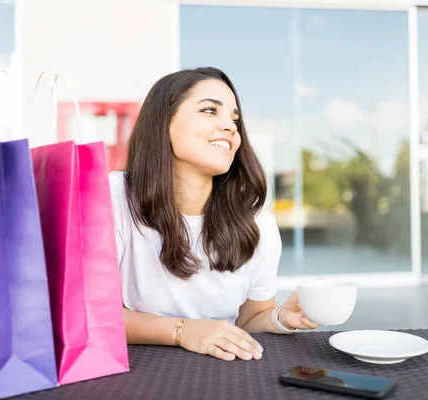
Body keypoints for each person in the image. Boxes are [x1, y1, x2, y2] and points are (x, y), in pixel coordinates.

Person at [108, 67, 317, 362]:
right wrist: (183, 332)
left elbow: (248, 320)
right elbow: (91, 314)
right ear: (163, 123)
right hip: (134, 371)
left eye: (234, 119)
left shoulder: (257, 224)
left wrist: (280, 318)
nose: (231, 127)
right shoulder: (113, 197)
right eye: (209, 110)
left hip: (222, 374)